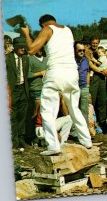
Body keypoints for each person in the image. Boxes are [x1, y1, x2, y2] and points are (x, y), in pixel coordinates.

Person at [20, 14, 92, 155]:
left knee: (47, 111)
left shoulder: (47, 29)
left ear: (42, 24)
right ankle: (86, 140)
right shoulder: (67, 30)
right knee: (74, 109)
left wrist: (27, 34)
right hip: (72, 73)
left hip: (56, 72)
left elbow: (31, 49)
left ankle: (53, 146)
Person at [6, 36, 29, 149]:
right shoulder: (7, 59)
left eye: (24, 46)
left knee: (22, 116)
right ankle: (14, 142)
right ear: (15, 47)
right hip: (12, 91)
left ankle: (21, 139)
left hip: (23, 90)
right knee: (13, 117)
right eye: (21, 46)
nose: (23, 48)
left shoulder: (25, 59)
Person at [28, 48, 48, 119]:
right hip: (36, 88)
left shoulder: (46, 59)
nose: (40, 50)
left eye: (42, 49)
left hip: (46, 88)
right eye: (38, 49)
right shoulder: (30, 59)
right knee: (36, 112)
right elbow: (27, 75)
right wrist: (40, 73)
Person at [74, 41, 90, 126]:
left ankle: (85, 130)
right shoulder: (71, 60)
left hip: (84, 86)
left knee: (84, 110)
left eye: (83, 50)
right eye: (79, 50)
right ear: (75, 50)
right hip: (74, 87)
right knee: (74, 110)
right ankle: (75, 132)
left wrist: (88, 85)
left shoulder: (85, 60)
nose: (82, 52)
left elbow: (87, 73)